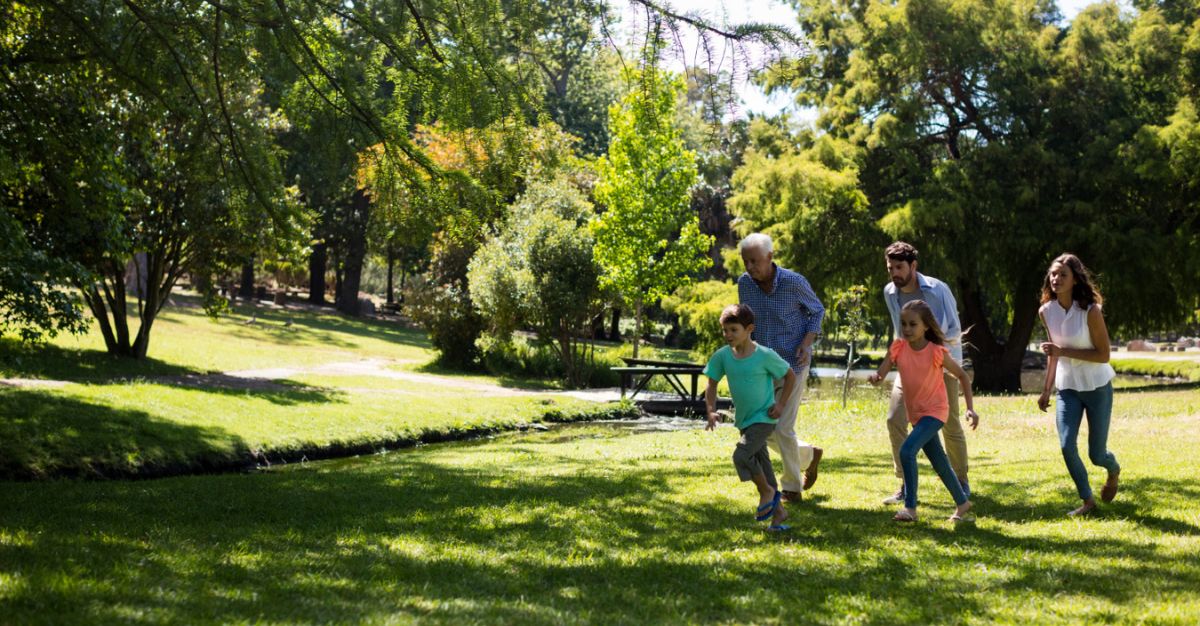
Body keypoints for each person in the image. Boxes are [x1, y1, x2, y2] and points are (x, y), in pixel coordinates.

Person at [868, 300, 979, 522]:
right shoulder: (898, 348)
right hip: (916, 415)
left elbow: (962, 376)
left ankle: (910, 508)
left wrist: (970, 409)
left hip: (935, 412)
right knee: (940, 462)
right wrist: (875, 378)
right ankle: (962, 503)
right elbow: (881, 375)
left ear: (926, 326)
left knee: (907, 451)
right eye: (904, 324)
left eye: (913, 324)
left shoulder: (936, 352)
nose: (907, 329)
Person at [880, 241, 971, 505]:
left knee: (950, 423)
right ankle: (905, 484)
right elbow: (900, 330)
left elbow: (952, 329)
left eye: (899, 267)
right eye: (890, 268)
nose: (894, 273)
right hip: (909, 364)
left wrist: (937, 360)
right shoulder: (890, 292)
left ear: (913, 266)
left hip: (940, 362)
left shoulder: (937, 289)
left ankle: (961, 481)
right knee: (894, 419)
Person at [737, 233, 824, 503]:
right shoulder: (745, 283)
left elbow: (817, 311)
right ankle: (808, 455)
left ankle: (792, 489)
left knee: (783, 428)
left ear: (770, 257)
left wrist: (806, 344)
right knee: (759, 428)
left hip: (792, 364)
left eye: (754, 261)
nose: (750, 267)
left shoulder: (793, 282)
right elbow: (747, 322)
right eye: (745, 261)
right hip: (762, 367)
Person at [1036, 253, 1121, 517]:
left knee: (1097, 455)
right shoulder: (1046, 312)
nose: (1056, 279)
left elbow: (1103, 355)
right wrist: (1046, 390)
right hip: (1068, 388)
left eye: (1063, 275)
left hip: (1097, 387)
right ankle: (1087, 501)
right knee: (1066, 445)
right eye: (1053, 274)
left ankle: (1113, 470)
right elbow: (1053, 353)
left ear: (1075, 279)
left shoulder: (1091, 311)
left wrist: (1063, 351)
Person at [704, 304, 796, 531]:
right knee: (763, 466)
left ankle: (766, 492)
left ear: (749, 329)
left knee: (742, 455)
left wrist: (781, 404)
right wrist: (711, 410)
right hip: (744, 420)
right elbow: (711, 383)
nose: (728, 335)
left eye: (733, 330)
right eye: (725, 330)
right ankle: (778, 514)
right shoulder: (722, 356)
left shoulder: (764, 355)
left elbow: (790, 376)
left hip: (764, 418)